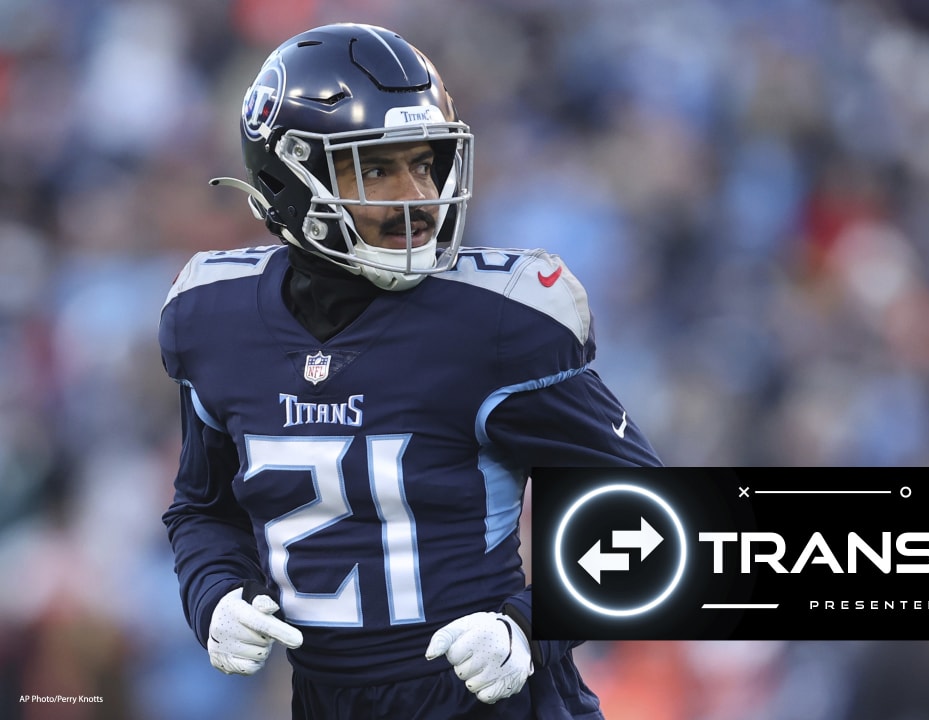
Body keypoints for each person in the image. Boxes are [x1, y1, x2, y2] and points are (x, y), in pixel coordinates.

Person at [158, 22, 661, 720]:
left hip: (495, 705)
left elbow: (649, 509)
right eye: (378, 168)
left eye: (425, 163)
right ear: (287, 176)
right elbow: (204, 508)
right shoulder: (214, 320)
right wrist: (214, 593)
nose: (418, 195)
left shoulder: (497, 323)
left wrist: (529, 622)